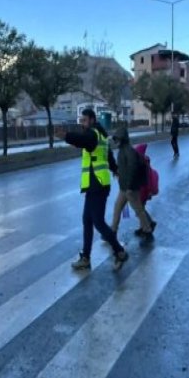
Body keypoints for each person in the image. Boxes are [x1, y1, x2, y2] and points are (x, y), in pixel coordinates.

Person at [56, 109, 128, 271]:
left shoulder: (93, 134)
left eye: (85, 120)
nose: (82, 124)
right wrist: (116, 170)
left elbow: (83, 140)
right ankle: (86, 257)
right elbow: (108, 157)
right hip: (97, 184)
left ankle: (119, 251)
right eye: (81, 121)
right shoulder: (102, 136)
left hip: (97, 185)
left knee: (98, 222)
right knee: (87, 220)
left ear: (92, 120)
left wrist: (66, 136)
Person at [109, 127, 154, 240]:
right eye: (115, 139)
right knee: (117, 208)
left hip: (130, 188)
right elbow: (124, 168)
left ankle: (147, 229)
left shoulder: (128, 151)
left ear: (123, 139)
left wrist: (129, 186)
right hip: (124, 187)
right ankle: (112, 231)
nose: (116, 141)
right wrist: (118, 172)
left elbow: (132, 169)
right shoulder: (123, 151)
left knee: (138, 209)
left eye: (118, 139)